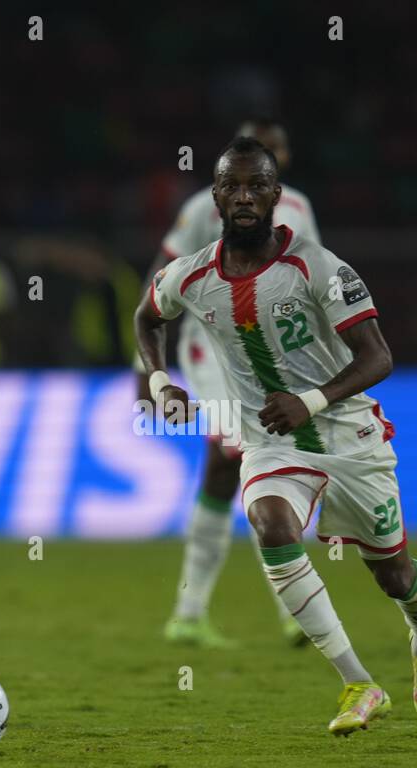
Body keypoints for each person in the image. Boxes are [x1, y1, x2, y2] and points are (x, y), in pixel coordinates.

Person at [133, 137, 417, 734]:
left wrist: (310, 401)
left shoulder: (318, 267)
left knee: (394, 576)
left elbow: (378, 357)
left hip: (347, 434)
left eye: (257, 185)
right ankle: (359, 683)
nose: (244, 196)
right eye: (232, 186)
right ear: (216, 196)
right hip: (270, 441)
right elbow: (146, 316)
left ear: (278, 195)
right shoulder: (193, 274)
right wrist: (159, 383)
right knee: (271, 524)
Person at [140, 119, 321, 649]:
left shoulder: (300, 209)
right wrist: (145, 370)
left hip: (274, 355)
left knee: (245, 466)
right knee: (239, 451)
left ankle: (190, 614)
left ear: (282, 160)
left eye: (274, 146)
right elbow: (159, 282)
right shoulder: (204, 209)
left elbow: (315, 280)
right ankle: (288, 611)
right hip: (212, 348)